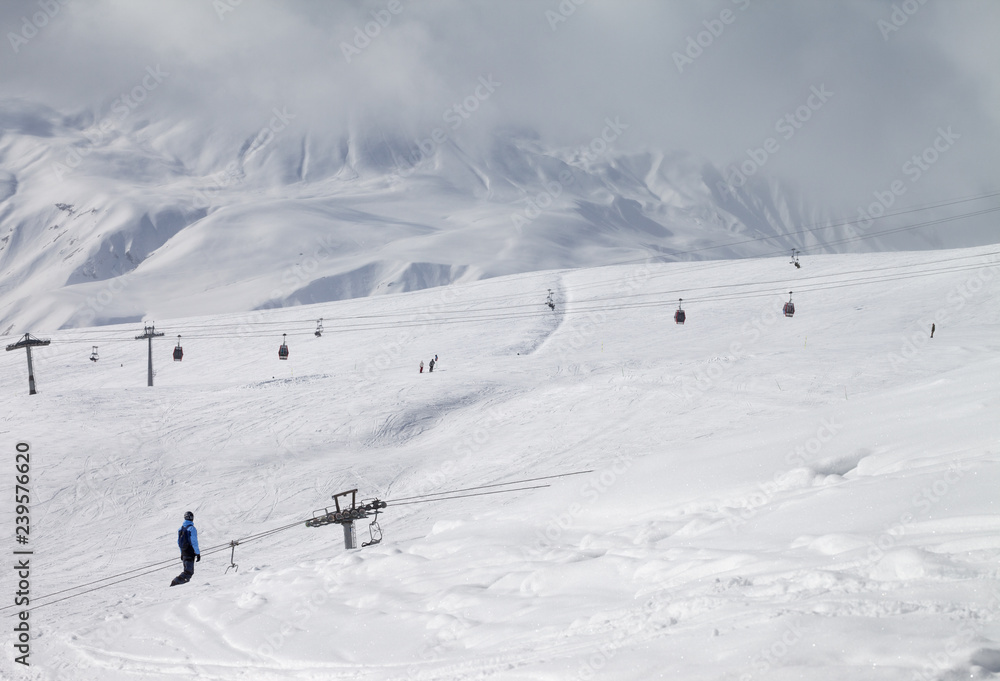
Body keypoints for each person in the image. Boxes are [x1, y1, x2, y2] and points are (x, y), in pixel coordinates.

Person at [170, 511, 200, 586]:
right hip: (190, 552)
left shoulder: (181, 529)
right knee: (189, 572)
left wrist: (182, 553)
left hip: (184, 552)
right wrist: (197, 553)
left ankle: (179, 584)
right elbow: (194, 542)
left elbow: (179, 542)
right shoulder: (191, 529)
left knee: (187, 571)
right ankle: (176, 583)